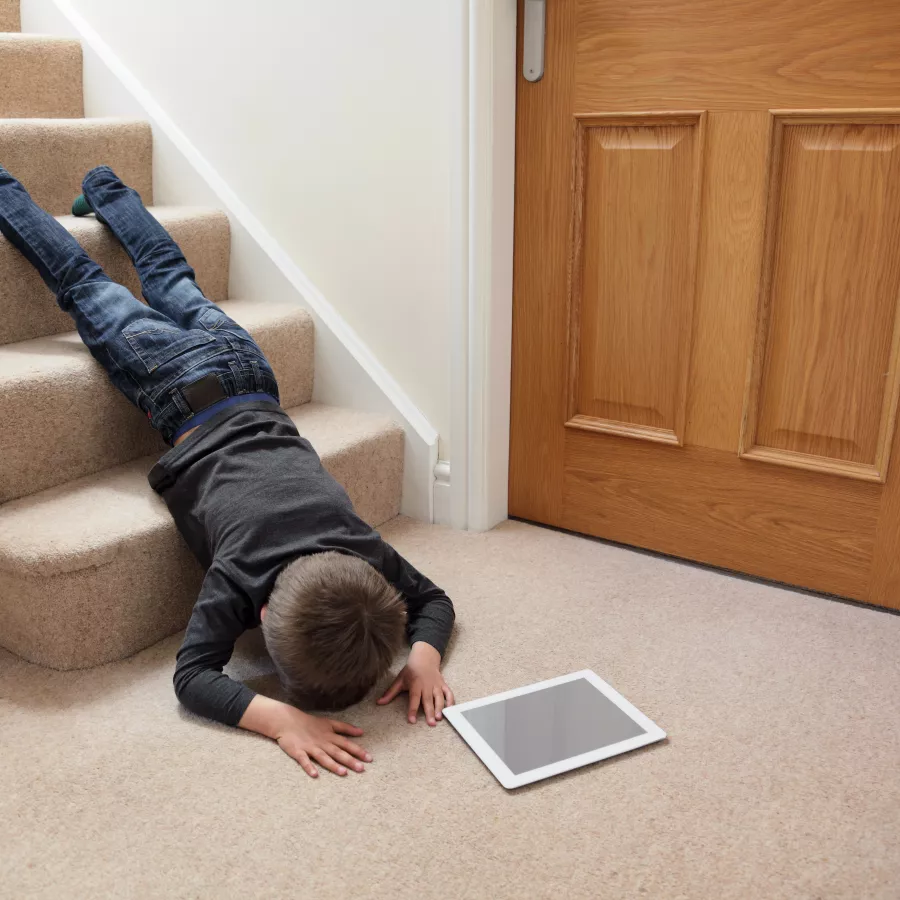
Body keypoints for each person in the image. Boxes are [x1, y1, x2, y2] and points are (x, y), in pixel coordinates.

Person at [0, 165, 455, 779]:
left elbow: (434, 602)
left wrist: (422, 654)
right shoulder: (240, 572)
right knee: (81, 282)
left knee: (170, 277)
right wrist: (281, 717)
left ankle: (106, 191)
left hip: (249, 372)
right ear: (261, 619)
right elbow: (193, 677)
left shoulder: (362, 548)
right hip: (172, 387)